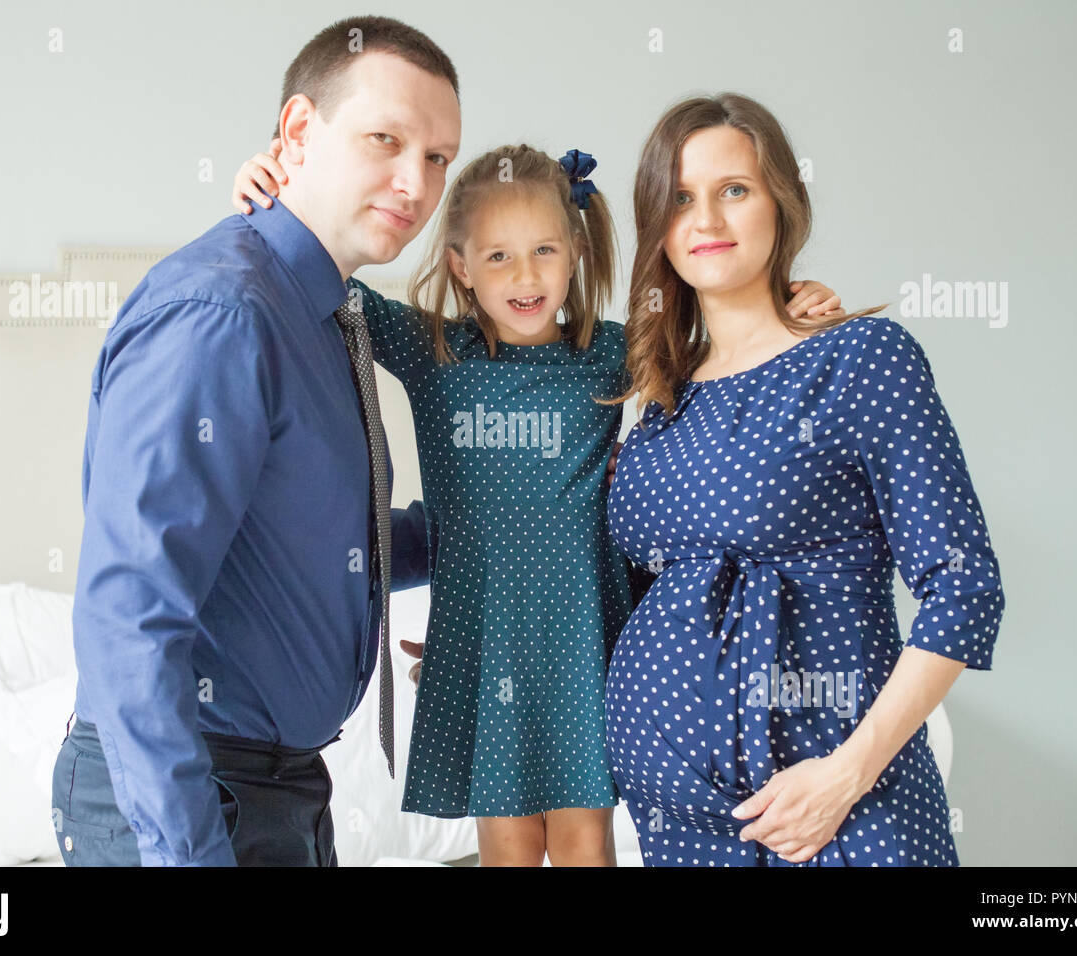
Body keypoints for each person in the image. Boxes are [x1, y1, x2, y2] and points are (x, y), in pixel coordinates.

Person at [232, 136, 844, 864]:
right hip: (486, 646)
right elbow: (321, 276)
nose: (525, 276)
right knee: (511, 842)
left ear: (576, 251)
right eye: (497, 256)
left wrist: (793, 311)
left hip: (583, 642)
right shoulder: (434, 351)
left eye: (545, 251)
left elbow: (726, 343)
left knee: (585, 840)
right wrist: (266, 203)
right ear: (460, 265)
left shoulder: (610, 351)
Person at [50, 15, 461, 866]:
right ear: (300, 132)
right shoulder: (225, 315)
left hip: (281, 793)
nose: (414, 183)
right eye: (386, 139)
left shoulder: (328, 313)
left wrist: (514, 530)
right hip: (193, 800)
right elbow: (129, 615)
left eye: (437, 158)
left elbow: (335, 544)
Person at [602, 92, 1007, 865]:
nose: (707, 222)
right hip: (678, 821)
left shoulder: (859, 358)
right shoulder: (657, 399)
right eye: (681, 199)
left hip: (836, 803)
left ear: (781, 202)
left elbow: (965, 586)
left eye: (734, 191)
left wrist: (845, 777)